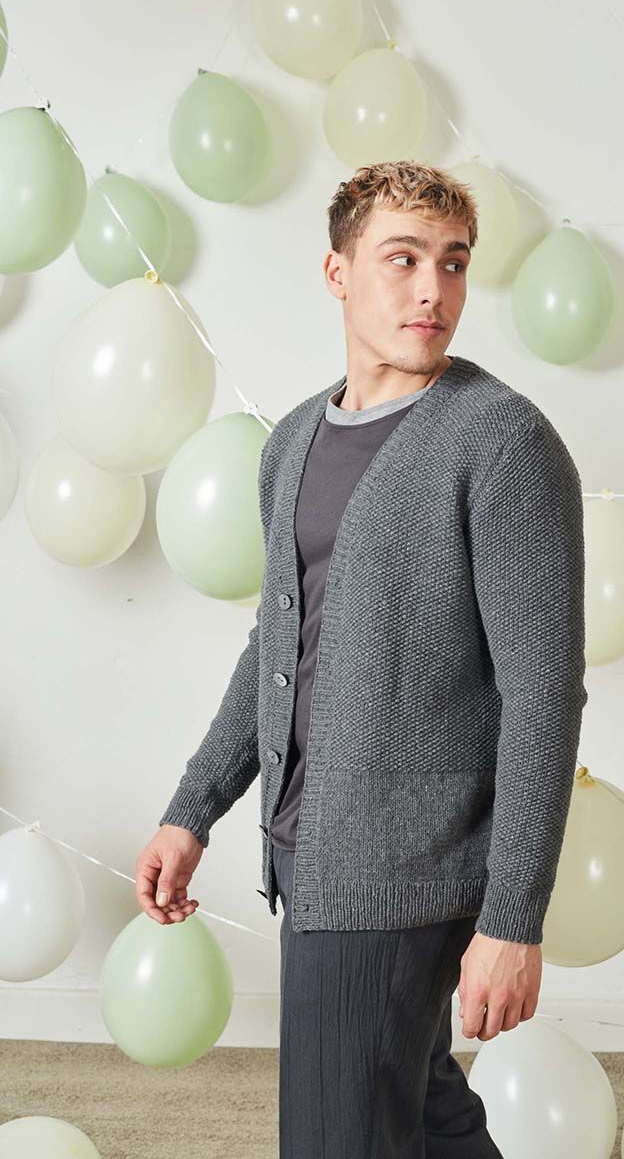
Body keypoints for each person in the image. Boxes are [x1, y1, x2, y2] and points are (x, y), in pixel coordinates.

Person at [135, 159, 588, 1157]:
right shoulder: (294, 439)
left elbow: (543, 696)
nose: (433, 290)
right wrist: (193, 807)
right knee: (419, 1115)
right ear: (338, 272)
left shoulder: (501, 443)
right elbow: (278, 641)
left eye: (453, 263)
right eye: (403, 259)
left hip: (406, 870)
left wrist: (514, 920)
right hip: (307, 852)